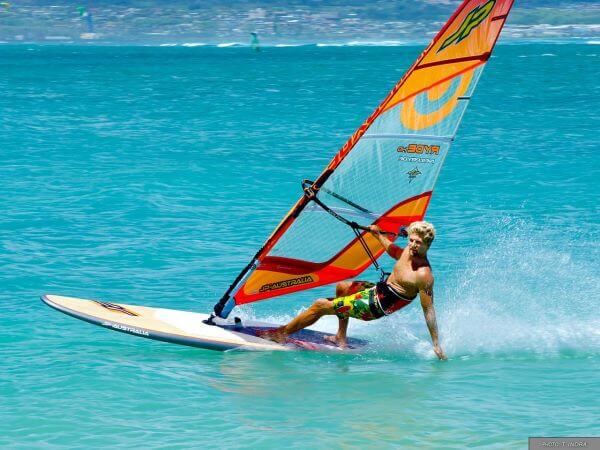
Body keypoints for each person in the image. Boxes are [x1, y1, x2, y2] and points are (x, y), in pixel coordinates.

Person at [259, 221, 446, 360]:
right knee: (343, 286)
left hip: (376, 306)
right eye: (411, 240)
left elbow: (428, 309)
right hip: (379, 290)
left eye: (418, 242)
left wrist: (436, 344)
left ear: (427, 245)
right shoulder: (408, 250)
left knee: (320, 305)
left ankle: (281, 334)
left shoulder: (424, 275)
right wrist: (377, 235)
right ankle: (340, 337)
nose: (412, 245)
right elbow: (394, 252)